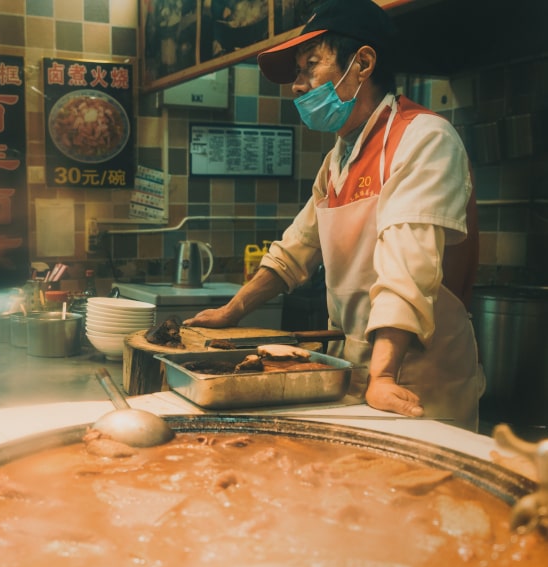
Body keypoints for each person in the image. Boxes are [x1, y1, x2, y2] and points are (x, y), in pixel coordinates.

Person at [184, 0, 484, 430]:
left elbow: (408, 268)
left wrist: (382, 376)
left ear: (362, 63)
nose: (297, 85)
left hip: (417, 384)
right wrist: (233, 310)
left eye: (310, 65)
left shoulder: (424, 138)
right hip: (358, 374)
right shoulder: (339, 157)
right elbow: (297, 249)